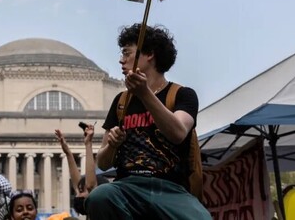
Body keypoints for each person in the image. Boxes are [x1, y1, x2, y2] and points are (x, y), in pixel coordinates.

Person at [86, 23, 211, 219]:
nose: (121, 60)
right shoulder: (120, 102)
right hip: (127, 187)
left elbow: (178, 132)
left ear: (149, 54)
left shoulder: (182, 95)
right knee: (99, 196)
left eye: (127, 53)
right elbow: (102, 163)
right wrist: (112, 145)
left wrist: (145, 94)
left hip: (171, 189)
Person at [55, 124, 107, 217]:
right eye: (81, 191)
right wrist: (88, 144)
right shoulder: (98, 208)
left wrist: (67, 152)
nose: (78, 191)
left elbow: (78, 182)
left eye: (80, 190)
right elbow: (90, 186)